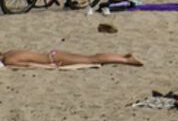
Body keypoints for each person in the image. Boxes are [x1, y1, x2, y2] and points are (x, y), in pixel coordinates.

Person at [1, 49, 143, 69]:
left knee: (92, 60)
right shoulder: (9, 52)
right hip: (53, 53)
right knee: (90, 58)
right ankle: (122, 57)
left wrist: (48, 67)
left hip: (53, 59)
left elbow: (28, 65)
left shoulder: (8, 60)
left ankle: (125, 60)